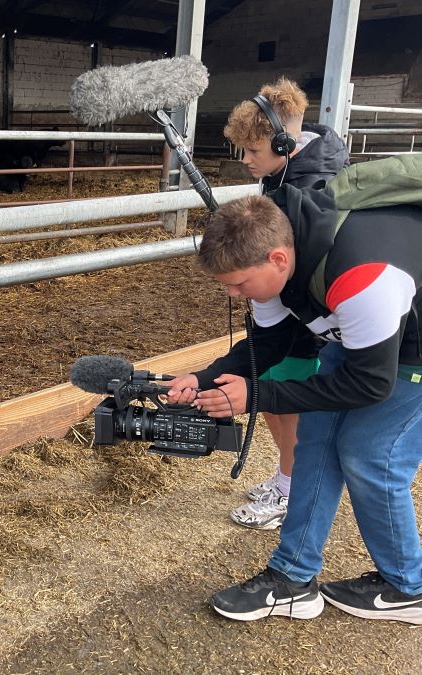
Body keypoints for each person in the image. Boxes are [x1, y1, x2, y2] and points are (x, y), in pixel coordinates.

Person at [166, 181, 422, 624]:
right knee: (316, 444)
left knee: (369, 456)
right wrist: (204, 376)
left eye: (239, 284)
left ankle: (409, 585)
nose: (234, 294)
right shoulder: (277, 265)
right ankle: (292, 578)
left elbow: (370, 385)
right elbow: (267, 341)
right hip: (365, 333)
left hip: (413, 349)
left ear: (278, 259)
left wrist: (256, 395)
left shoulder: (364, 276)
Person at [222, 78, 349, 530]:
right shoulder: (280, 173)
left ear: (284, 142)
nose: (246, 160)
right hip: (279, 307)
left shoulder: (313, 186)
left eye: (253, 151)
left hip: (302, 316)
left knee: (286, 397)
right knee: (272, 396)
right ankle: (286, 475)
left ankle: (293, 489)